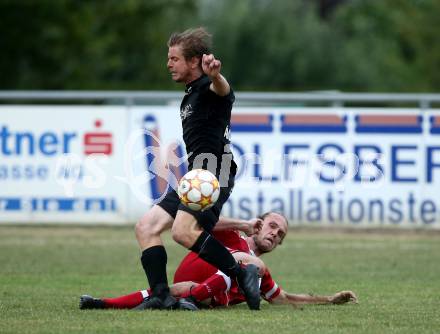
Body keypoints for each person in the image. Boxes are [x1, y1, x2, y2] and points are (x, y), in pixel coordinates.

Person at [134, 27, 260, 311]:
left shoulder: (208, 88)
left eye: (174, 59)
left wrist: (215, 75)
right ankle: (160, 295)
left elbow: (223, 91)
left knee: (182, 231)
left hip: (214, 173)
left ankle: (240, 273)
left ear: (194, 62)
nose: (168, 64)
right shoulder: (191, 94)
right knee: (146, 227)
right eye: (169, 58)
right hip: (196, 176)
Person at [80, 212, 357, 309]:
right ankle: (196, 296)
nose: (275, 233)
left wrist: (329, 299)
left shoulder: (259, 274)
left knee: (170, 293)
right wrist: (242, 223)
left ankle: (102, 303)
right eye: (272, 226)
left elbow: (282, 298)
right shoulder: (232, 234)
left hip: (194, 291)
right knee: (245, 262)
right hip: (199, 277)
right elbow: (199, 221)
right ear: (259, 224)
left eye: (280, 234)